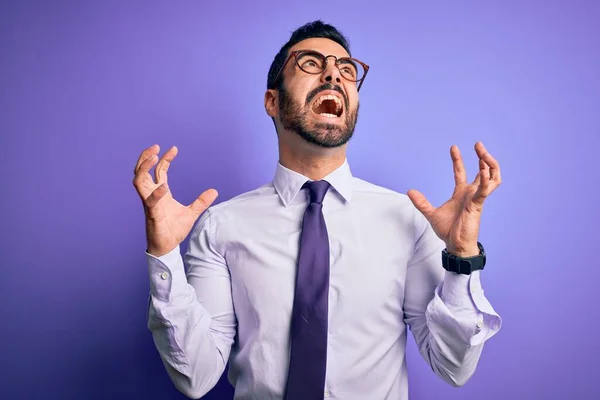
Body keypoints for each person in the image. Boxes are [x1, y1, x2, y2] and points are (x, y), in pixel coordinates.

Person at [132, 20, 502, 400]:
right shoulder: (221, 226)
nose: (333, 74)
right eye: (310, 63)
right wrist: (164, 257)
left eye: (346, 69)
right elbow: (195, 376)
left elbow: (453, 367)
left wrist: (461, 259)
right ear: (272, 101)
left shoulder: (407, 220)